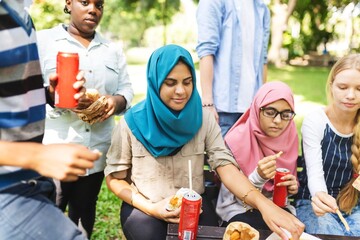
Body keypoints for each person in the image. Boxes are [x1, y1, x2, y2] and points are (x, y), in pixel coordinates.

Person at [105, 44, 304, 240]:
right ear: (156, 82)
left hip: (195, 206)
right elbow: (115, 179)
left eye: (187, 81)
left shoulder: (203, 119)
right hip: (145, 209)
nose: (181, 91)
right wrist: (153, 208)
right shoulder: (131, 123)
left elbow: (225, 167)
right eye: (171, 83)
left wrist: (264, 205)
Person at [0, 1, 101, 239]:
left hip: (32, 181)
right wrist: (36, 156)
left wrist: (49, 94)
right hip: (8, 189)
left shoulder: (21, 13)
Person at [36, 0, 134, 238]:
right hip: (56, 148)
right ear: (68, 4)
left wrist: (115, 101)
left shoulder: (112, 49)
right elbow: (26, 91)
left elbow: (127, 90)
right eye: (84, 2)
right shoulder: (43, 42)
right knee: (51, 211)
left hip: (95, 150)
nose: (93, 9)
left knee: (85, 211)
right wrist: (53, 95)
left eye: (99, 5)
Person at [216, 81, 300, 230]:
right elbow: (233, 196)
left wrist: (292, 186)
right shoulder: (236, 139)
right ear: (256, 109)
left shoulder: (290, 136)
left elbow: (285, 193)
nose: (277, 120)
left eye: (286, 114)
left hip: (278, 207)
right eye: (270, 112)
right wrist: (259, 177)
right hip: (238, 209)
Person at [295, 54, 360, 236]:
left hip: (354, 203)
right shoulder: (316, 121)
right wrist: (320, 197)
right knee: (330, 234)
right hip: (314, 202)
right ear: (331, 86)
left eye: (359, 88)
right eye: (343, 87)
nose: (350, 95)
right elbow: (315, 177)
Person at [196, 0, 271, 136]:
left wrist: (262, 104)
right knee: (223, 157)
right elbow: (206, 51)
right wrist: (207, 103)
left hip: (253, 112)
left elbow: (263, 60)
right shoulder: (213, 2)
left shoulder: (262, 8)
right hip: (222, 111)